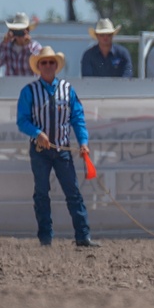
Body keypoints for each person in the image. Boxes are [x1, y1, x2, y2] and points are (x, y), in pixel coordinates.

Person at [16, 45, 99, 247]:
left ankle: (83, 235)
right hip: (40, 151)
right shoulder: (29, 91)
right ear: (39, 66)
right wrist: (37, 133)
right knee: (42, 193)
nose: (47, 65)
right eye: (44, 62)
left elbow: (77, 119)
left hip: (62, 150)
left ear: (56, 65)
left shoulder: (67, 90)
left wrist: (83, 143)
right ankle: (45, 237)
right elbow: (22, 120)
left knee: (73, 193)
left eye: (51, 62)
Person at [0, 12, 42, 76]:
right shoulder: (7, 46)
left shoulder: (35, 47)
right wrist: (3, 43)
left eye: (22, 30)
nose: (19, 33)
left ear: (27, 31)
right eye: (16, 29)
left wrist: (28, 46)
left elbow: (39, 66)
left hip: (29, 84)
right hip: (10, 85)